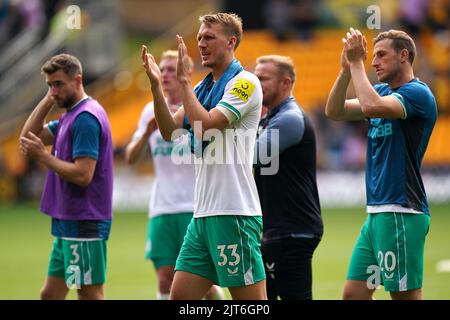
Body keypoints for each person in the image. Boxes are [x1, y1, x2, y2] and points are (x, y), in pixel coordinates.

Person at [141, 12, 267, 300]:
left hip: (233, 212)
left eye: (209, 37)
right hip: (203, 214)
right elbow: (170, 131)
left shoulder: (245, 82)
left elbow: (207, 124)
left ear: (231, 42)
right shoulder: (202, 87)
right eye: (199, 38)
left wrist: (184, 83)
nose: (201, 43)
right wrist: (156, 87)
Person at [325, 28, 437, 300]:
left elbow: (372, 106)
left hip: (401, 211)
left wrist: (355, 64)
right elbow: (335, 111)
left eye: (381, 55)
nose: (374, 62)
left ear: (403, 56)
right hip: (377, 213)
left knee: (404, 297)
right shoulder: (382, 90)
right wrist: (345, 71)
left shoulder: (417, 94)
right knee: (354, 295)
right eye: (372, 56)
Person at [125, 50, 223, 300]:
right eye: (164, 69)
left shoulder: (198, 109)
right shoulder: (150, 111)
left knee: (203, 282)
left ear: (186, 73)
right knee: (165, 278)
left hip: (195, 206)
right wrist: (147, 133)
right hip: (162, 208)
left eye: (172, 69)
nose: (166, 74)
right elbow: (130, 157)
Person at [19, 53, 113, 300]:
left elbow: (84, 175)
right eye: (50, 85)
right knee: (50, 295)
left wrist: (44, 156)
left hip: (83, 220)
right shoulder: (70, 115)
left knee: (89, 294)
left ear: (78, 80)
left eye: (59, 84)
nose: (54, 91)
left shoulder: (85, 119)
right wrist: (49, 100)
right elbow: (28, 137)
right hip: (68, 220)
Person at [253, 55, 323, 300]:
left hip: (293, 230)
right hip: (277, 229)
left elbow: (253, 156)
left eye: (263, 78)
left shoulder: (289, 119)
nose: (255, 83)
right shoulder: (270, 118)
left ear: (285, 83)